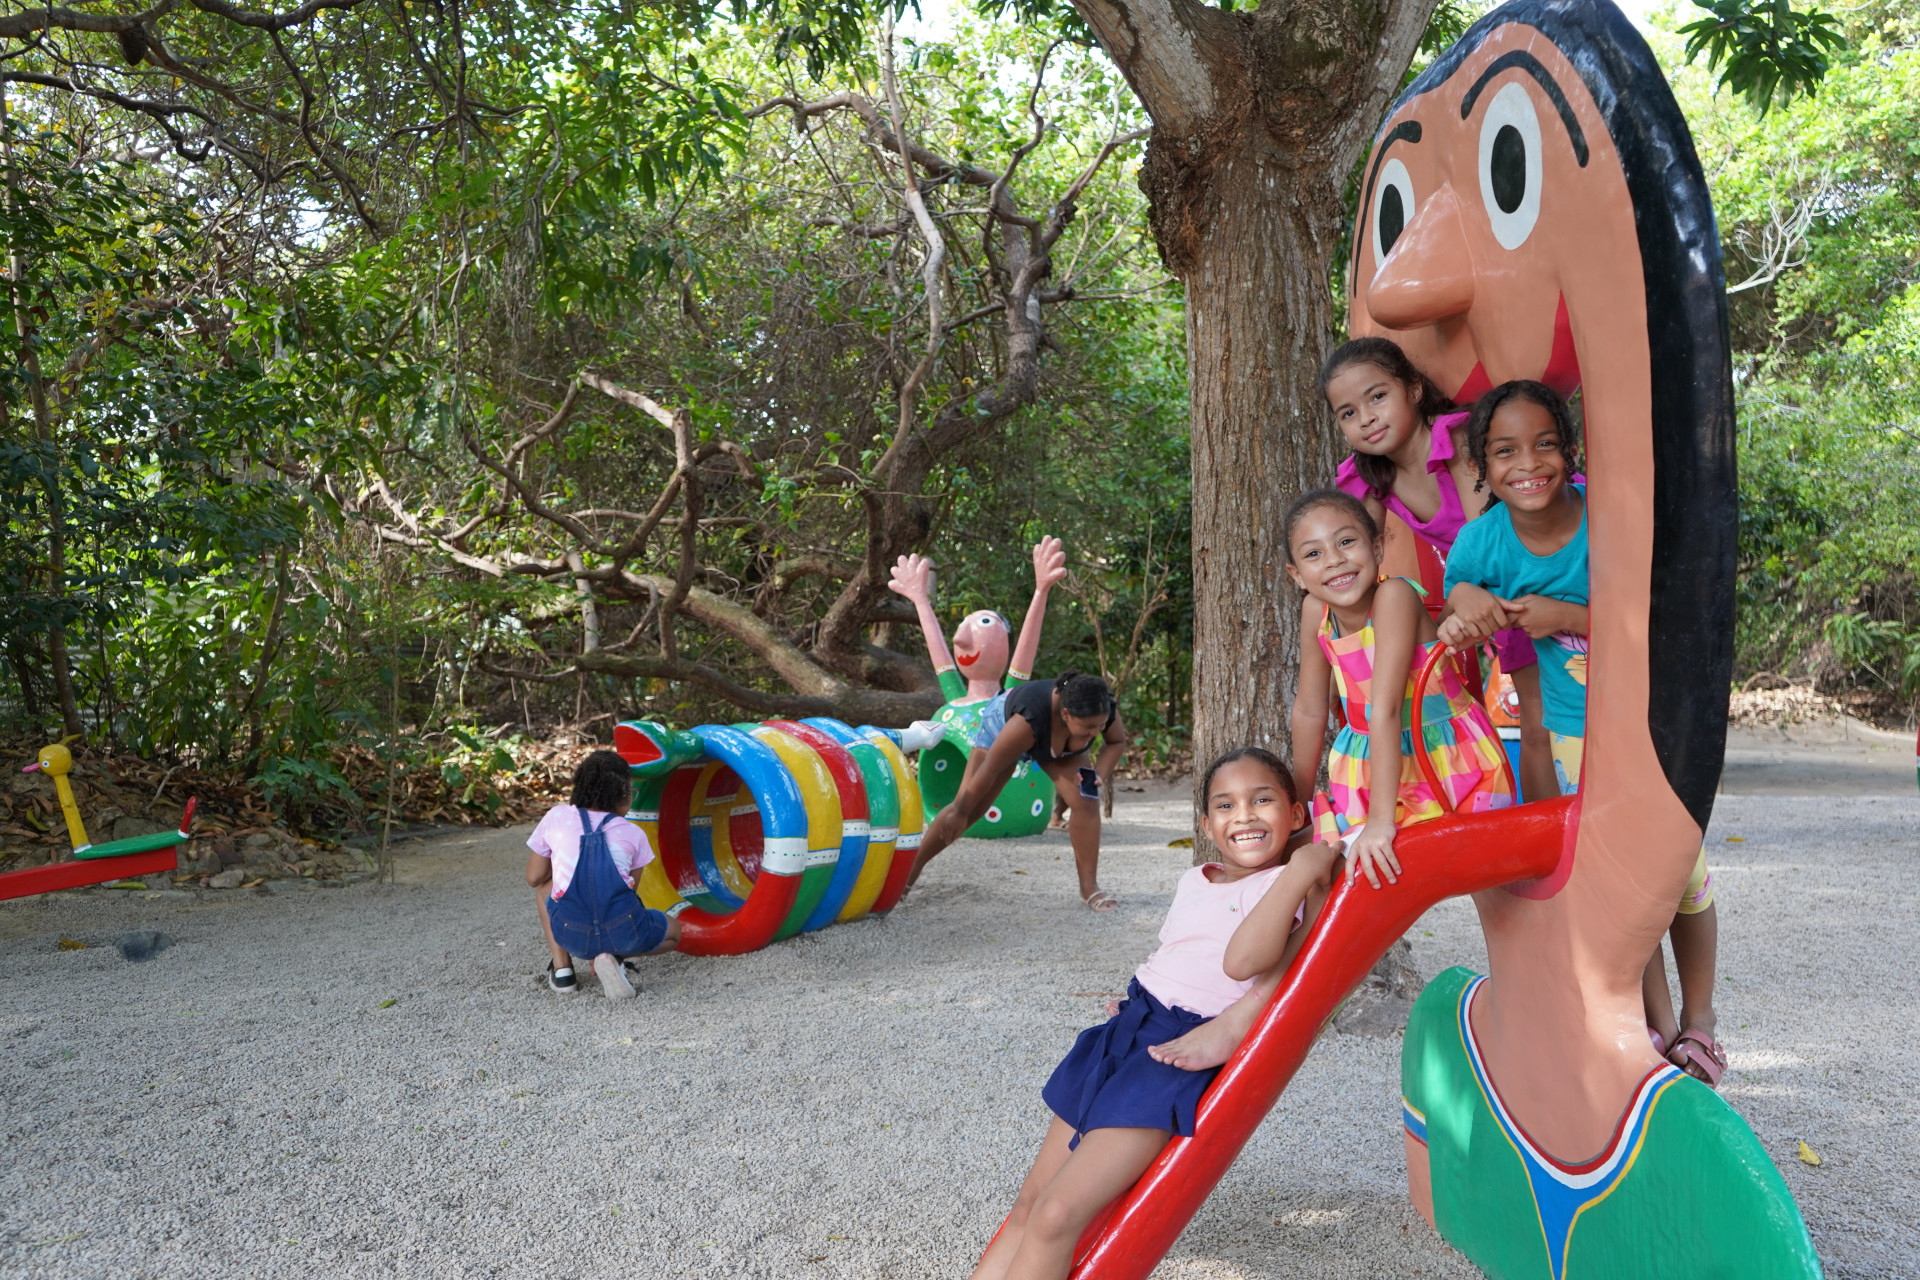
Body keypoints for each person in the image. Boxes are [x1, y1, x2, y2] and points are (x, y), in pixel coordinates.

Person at [1437, 379, 1724, 1086]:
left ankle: (1704, 1019)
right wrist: (1466, 602)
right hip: (1572, 736)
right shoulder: (1484, 540)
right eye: (1504, 450)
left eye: (1544, 444)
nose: (1526, 463)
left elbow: (1667, 623)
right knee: (1623, 881)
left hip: (1650, 731)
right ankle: (1657, 1028)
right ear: (1482, 465)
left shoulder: (1609, 519)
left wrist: (1565, 617)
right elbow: (1459, 590)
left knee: (1682, 875)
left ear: (1570, 451)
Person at [969, 749, 1342, 1280]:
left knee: (1057, 1215)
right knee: (1030, 1202)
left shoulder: (1283, 890)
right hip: (1127, 1029)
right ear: (1209, 823)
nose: (1245, 816)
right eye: (1226, 805)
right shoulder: (1195, 879)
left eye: (1263, 800)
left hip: (1174, 1052)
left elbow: (1245, 962)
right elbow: (1178, 952)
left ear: (1297, 815)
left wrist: (1302, 868)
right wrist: (1136, 1001)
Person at [1322, 336, 1558, 802]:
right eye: (1348, 412)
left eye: (1377, 396)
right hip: (1491, 591)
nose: (1366, 417)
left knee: (1562, 718)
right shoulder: (1369, 476)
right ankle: (1547, 847)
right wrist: (1341, 660)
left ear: (1412, 389)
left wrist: (1456, 605)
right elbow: (1354, 562)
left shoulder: (1455, 440)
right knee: (1535, 724)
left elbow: (1484, 539)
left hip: (1546, 564)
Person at [908, 671, 1130, 910]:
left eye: (1099, 726)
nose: (1095, 733)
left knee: (1087, 801)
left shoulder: (1101, 706)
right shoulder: (1025, 722)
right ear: (1066, 714)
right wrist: (961, 811)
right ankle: (908, 875)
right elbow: (990, 768)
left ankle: (1089, 888)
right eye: (1088, 728)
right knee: (971, 807)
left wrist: (1099, 774)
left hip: (1058, 745)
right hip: (1003, 725)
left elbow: (1116, 742)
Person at [526, 749, 680, 999]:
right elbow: (628, 893)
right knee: (673, 933)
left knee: (546, 884)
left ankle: (562, 970)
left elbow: (533, 877)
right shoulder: (634, 833)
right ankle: (612, 956)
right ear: (622, 794)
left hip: (571, 935)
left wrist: (564, 862)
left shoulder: (557, 816)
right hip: (622, 932)